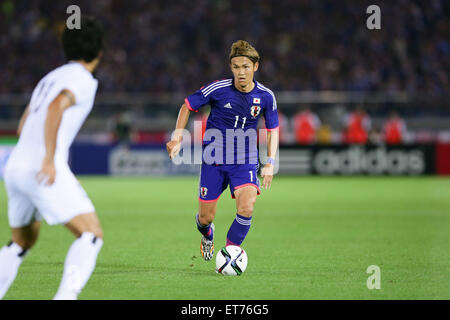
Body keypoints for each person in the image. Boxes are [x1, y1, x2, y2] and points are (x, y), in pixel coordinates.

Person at [0, 17, 104, 300]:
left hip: (15, 165)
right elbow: (58, 106)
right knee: (91, 234)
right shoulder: (83, 80)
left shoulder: (50, 77)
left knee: (21, 242)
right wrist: (48, 158)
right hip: (40, 167)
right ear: (99, 52)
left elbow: (23, 125)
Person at [166, 40, 279, 261]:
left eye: (246, 66)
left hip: (244, 160)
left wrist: (270, 162)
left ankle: (230, 253)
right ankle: (208, 235)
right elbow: (187, 105)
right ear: (231, 68)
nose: (241, 72)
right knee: (205, 218)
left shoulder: (266, 96)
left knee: (246, 207)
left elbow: (272, 129)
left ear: (255, 66)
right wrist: (178, 135)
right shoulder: (217, 89)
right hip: (214, 159)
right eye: (236, 67)